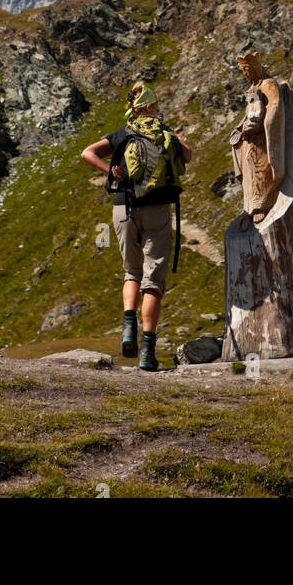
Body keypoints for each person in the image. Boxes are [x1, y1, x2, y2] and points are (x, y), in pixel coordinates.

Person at [81, 82, 191, 371]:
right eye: (156, 106)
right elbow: (188, 155)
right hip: (157, 209)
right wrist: (168, 133)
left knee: (132, 271)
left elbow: (87, 153)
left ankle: (128, 327)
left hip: (124, 207)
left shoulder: (123, 133)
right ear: (151, 109)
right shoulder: (165, 134)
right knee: (153, 282)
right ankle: (147, 352)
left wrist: (111, 172)